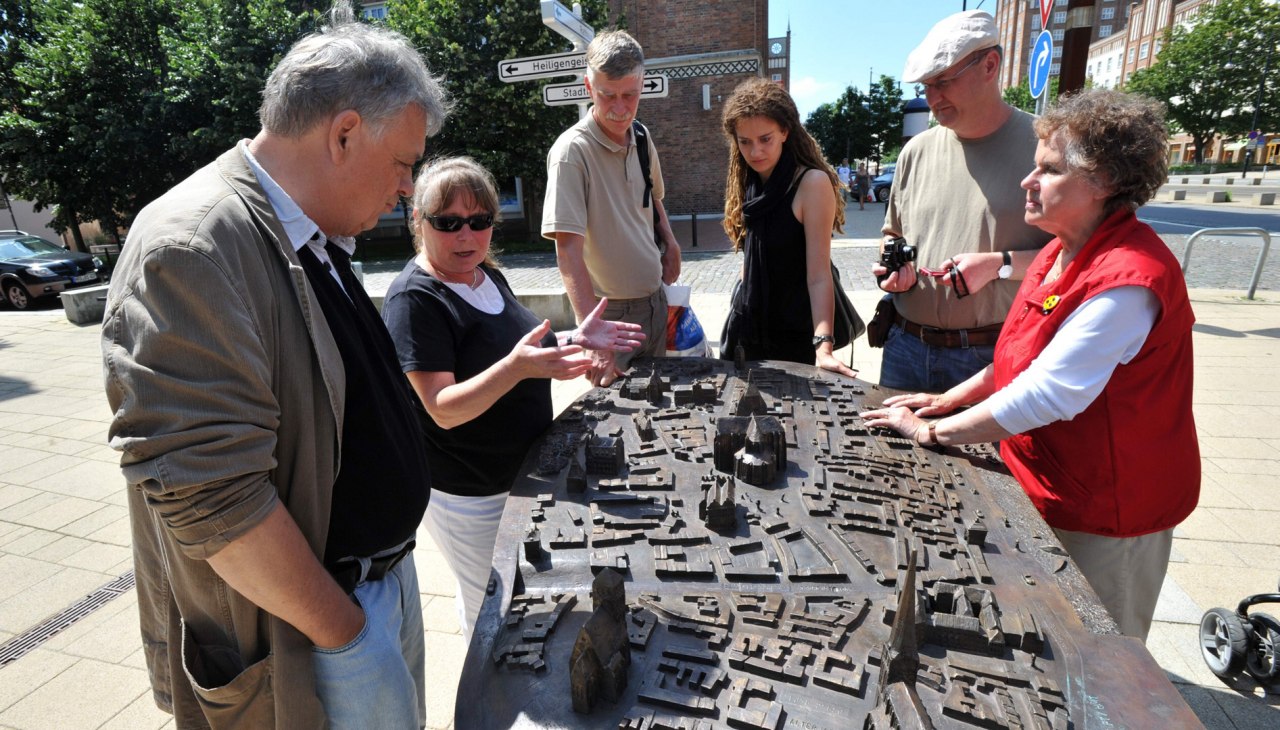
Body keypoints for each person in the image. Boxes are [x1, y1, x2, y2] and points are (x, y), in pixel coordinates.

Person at [100, 6, 449, 727]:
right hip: (319, 634)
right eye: (404, 164)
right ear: (344, 132)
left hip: (370, 594)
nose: (408, 189)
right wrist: (348, 636)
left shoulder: (307, 231)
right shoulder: (194, 245)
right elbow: (213, 501)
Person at [861, 89, 1198, 643]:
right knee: (1044, 637)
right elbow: (1018, 357)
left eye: (1049, 169)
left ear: (1105, 181)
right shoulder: (1058, 251)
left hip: (1107, 507)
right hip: (1047, 483)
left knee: (1100, 651)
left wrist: (932, 431)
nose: (1027, 180)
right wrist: (949, 399)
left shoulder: (1128, 279)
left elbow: (1047, 394)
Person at [381, 157, 644, 642]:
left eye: (480, 221)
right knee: (491, 602)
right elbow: (442, 407)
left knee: (507, 592)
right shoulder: (415, 299)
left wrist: (572, 340)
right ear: (418, 221)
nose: (467, 235)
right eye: (449, 222)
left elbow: (518, 347)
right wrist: (518, 367)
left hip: (518, 476)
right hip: (471, 492)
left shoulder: (485, 275)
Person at [874, 10, 1052, 393]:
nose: (932, 98)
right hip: (904, 346)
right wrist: (895, 264)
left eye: (943, 82)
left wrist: (999, 265)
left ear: (990, 65)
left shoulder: (1046, 147)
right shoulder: (915, 151)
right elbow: (893, 233)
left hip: (991, 356)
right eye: (925, 86)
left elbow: (1083, 259)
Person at [543, 29, 682, 387]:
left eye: (630, 95)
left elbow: (652, 198)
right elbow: (567, 250)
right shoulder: (571, 152)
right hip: (611, 315)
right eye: (608, 96)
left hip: (655, 300)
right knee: (616, 421)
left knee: (661, 410)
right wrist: (593, 333)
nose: (620, 109)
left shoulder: (641, 135)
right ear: (589, 88)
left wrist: (670, 240)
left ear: (642, 86)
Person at [718, 78, 855, 377]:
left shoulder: (811, 183)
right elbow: (753, 255)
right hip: (749, 330)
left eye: (765, 139)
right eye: (745, 142)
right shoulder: (749, 179)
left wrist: (824, 346)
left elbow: (819, 276)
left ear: (784, 131)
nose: (755, 152)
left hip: (794, 335)